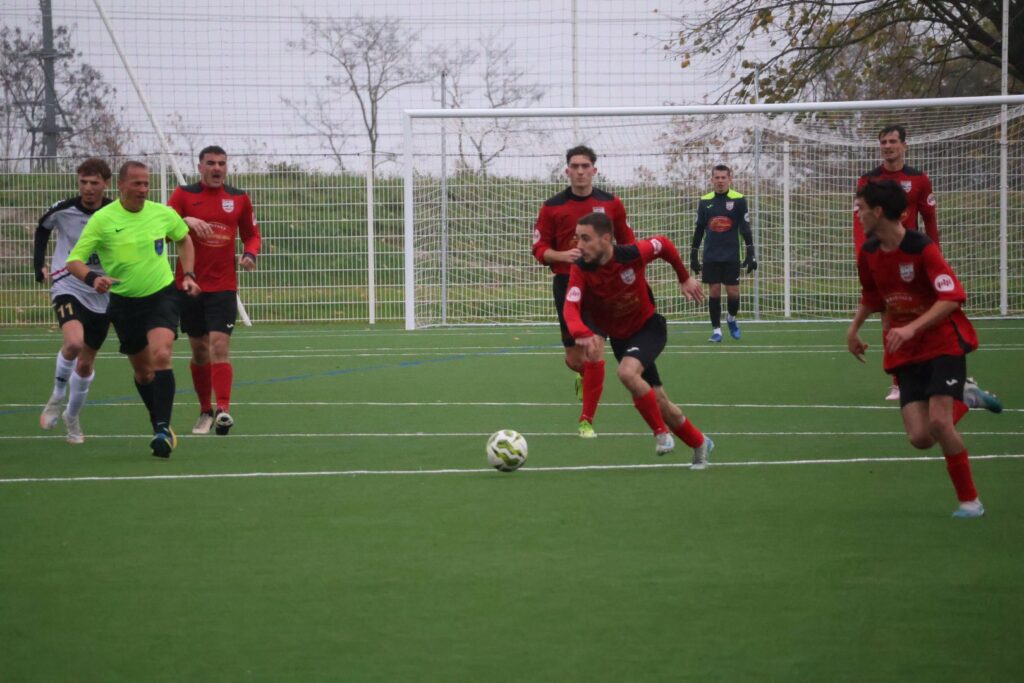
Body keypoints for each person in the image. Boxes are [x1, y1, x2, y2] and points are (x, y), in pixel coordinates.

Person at [846, 180, 990, 518]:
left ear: (878, 211)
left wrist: (911, 327)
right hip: (907, 352)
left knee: (940, 423)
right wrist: (853, 329)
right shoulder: (869, 253)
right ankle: (967, 398)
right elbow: (872, 296)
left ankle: (970, 502)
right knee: (920, 438)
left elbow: (952, 297)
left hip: (942, 344)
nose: (857, 214)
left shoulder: (922, 247)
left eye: (861, 208)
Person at [854, 124, 1001, 409]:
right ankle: (900, 382)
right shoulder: (868, 180)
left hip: (914, 259)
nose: (888, 146)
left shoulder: (919, 179)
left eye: (893, 141)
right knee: (890, 317)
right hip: (883, 258)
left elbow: (929, 218)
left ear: (904, 145)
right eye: (883, 142)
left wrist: (935, 253)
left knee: (927, 316)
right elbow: (858, 223)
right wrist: (864, 254)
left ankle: (953, 381)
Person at [66, 160, 200, 458]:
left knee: (162, 354)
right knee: (143, 373)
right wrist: (93, 278)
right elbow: (74, 260)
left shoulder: (162, 213)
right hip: (124, 304)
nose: (143, 189)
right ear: (121, 185)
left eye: (146, 183)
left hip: (161, 295)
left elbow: (184, 239)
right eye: (136, 183)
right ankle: (158, 423)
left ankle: (163, 430)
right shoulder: (102, 219)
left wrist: (189, 274)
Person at [563, 212, 714, 468]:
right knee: (661, 402)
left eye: (585, 239)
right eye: (577, 238)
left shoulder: (632, 254)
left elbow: (663, 244)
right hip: (621, 339)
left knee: (626, 373)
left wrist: (684, 277)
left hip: (648, 328)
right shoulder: (581, 268)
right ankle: (700, 443)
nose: (579, 245)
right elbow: (570, 307)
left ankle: (661, 434)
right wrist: (581, 332)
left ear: (606, 239)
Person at [533, 145, 636, 439]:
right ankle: (582, 375)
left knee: (595, 347)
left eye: (585, 166)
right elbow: (539, 249)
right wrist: (562, 255)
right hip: (567, 286)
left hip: (600, 286)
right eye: (575, 166)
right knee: (575, 359)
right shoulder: (552, 207)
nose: (580, 171)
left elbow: (628, 243)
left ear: (594, 170)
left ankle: (586, 420)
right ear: (567, 171)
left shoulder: (611, 203)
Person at [168, 145, 261, 436]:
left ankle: (223, 410)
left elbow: (252, 235)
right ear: (200, 167)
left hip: (223, 286)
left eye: (222, 163)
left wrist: (250, 253)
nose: (217, 168)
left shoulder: (239, 198)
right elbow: (162, 230)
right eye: (211, 163)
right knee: (199, 352)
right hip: (189, 285)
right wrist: (184, 221)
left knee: (219, 347)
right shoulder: (183, 195)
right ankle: (204, 411)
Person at [34, 158, 114, 444]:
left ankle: (73, 417)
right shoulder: (64, 209)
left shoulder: (115, 212)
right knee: (73, 343)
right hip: (68, 284)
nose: (88, 188)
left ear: (106, 184)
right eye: (83, 182)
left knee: (85, 365)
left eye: (94, 183)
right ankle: (57, 395)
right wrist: (39, 264)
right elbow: (43, 228)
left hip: (102, 292)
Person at [689, 164, 756, 342]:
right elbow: (699, 230)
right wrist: (693, 255)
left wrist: (751, 253)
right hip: (711, 255)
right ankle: (717, 331)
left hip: (732, 254)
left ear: (730, 179)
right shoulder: (704, 201)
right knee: (714, 291)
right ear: (711, 180)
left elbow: (745, 228)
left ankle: (731, 318)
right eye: (717, 178)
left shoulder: (739, 199)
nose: (720, 181)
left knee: (733, 292)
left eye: (723, 177)